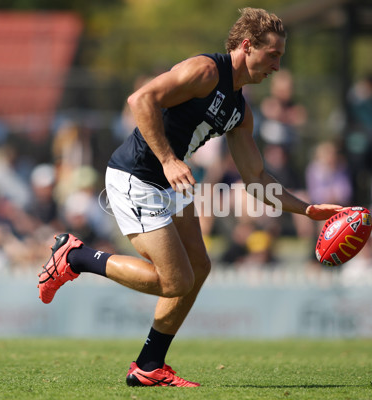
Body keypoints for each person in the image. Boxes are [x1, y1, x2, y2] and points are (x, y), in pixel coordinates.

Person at [37, 8, 343, 387]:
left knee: (199, 268)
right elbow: (140, 100)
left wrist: (307, 208)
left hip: (168, 184)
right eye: (273, 55)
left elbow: (257, 177)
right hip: (136, 177)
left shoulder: (241, 111)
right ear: (247, 47)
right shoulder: (204, 71)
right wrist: (167, 160)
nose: (278, 66)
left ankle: (149, 365)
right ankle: (77, 256)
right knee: (176, 281)